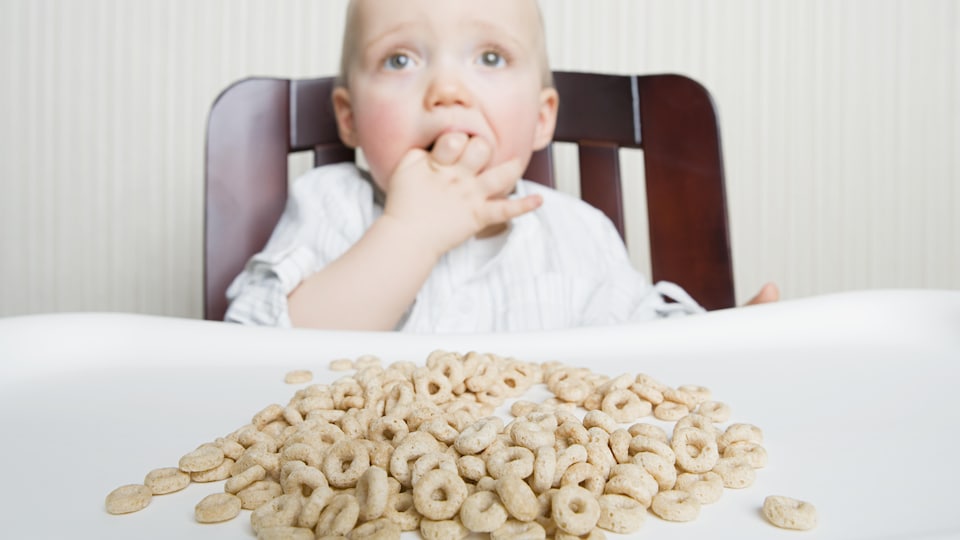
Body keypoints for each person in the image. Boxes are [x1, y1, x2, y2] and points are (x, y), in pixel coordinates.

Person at [224, 0, 778, 332]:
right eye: (400, 60)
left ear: (542, 119)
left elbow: (643, 352)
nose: (447, 89)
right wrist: (409, 234)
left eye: (490, 58)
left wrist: (724, 342)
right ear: (348, 118)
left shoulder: (578, 231)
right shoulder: (329, 203)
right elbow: (251, 353)